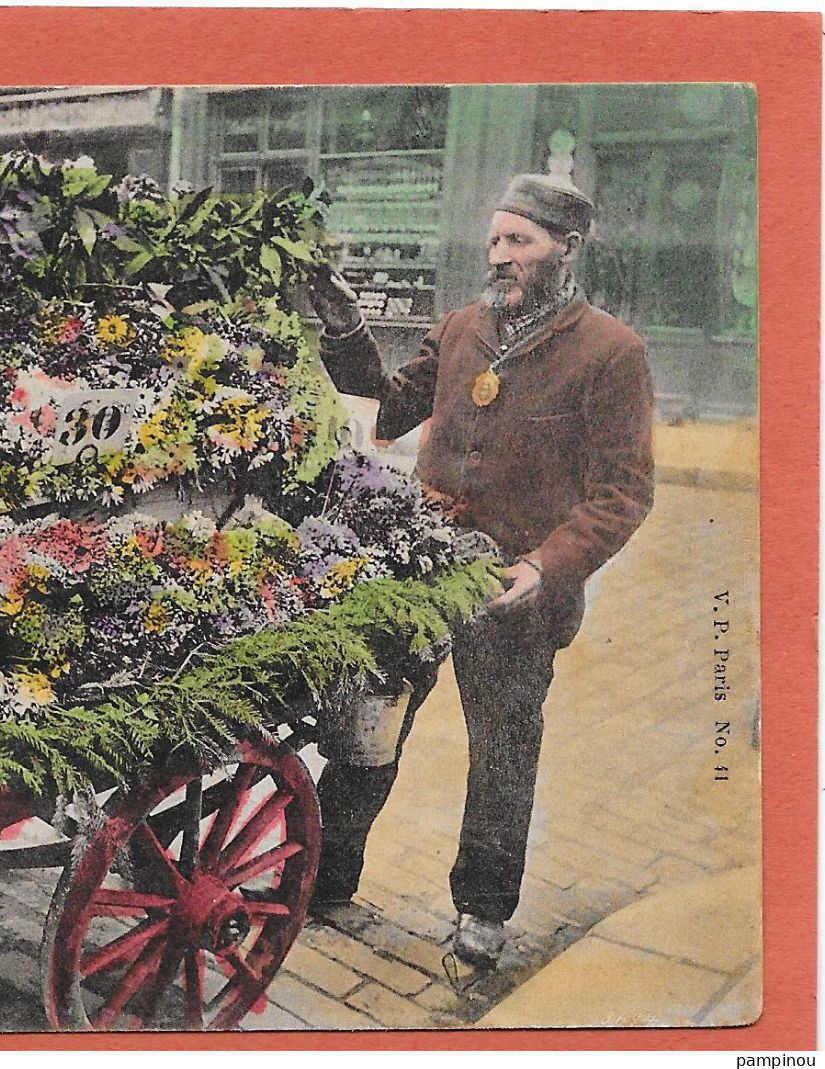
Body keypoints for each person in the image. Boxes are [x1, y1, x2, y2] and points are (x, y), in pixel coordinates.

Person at [303, 173, 655, 967]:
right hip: (420, 564)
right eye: (494, 240)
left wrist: (544, 567)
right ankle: (323, 878)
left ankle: (483, 910)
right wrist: (342, 324)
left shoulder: (611, 351)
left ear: (566, 249)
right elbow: (388, 409)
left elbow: (623, 490)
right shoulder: (462, 325)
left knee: (500, 751)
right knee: (367, 724)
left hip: (512, 588)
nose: (499, 256)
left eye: (519, 242)